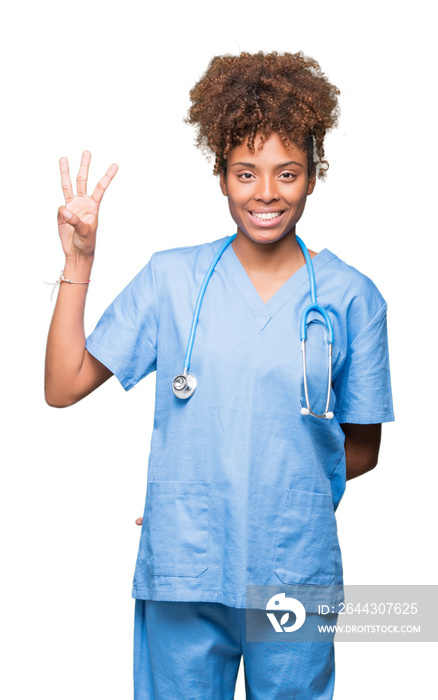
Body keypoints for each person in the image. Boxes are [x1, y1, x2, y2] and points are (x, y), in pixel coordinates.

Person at [45, 50, 394, 699]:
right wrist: (80, 261)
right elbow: (63, 384)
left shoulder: (353, 297)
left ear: (313, 175)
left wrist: (245, 500)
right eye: (245, 173)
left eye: (287, 173)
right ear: (221, 174)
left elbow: (364, 449)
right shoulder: (171, 279)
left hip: (293, 569)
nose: (266, 193)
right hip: (186, 569)